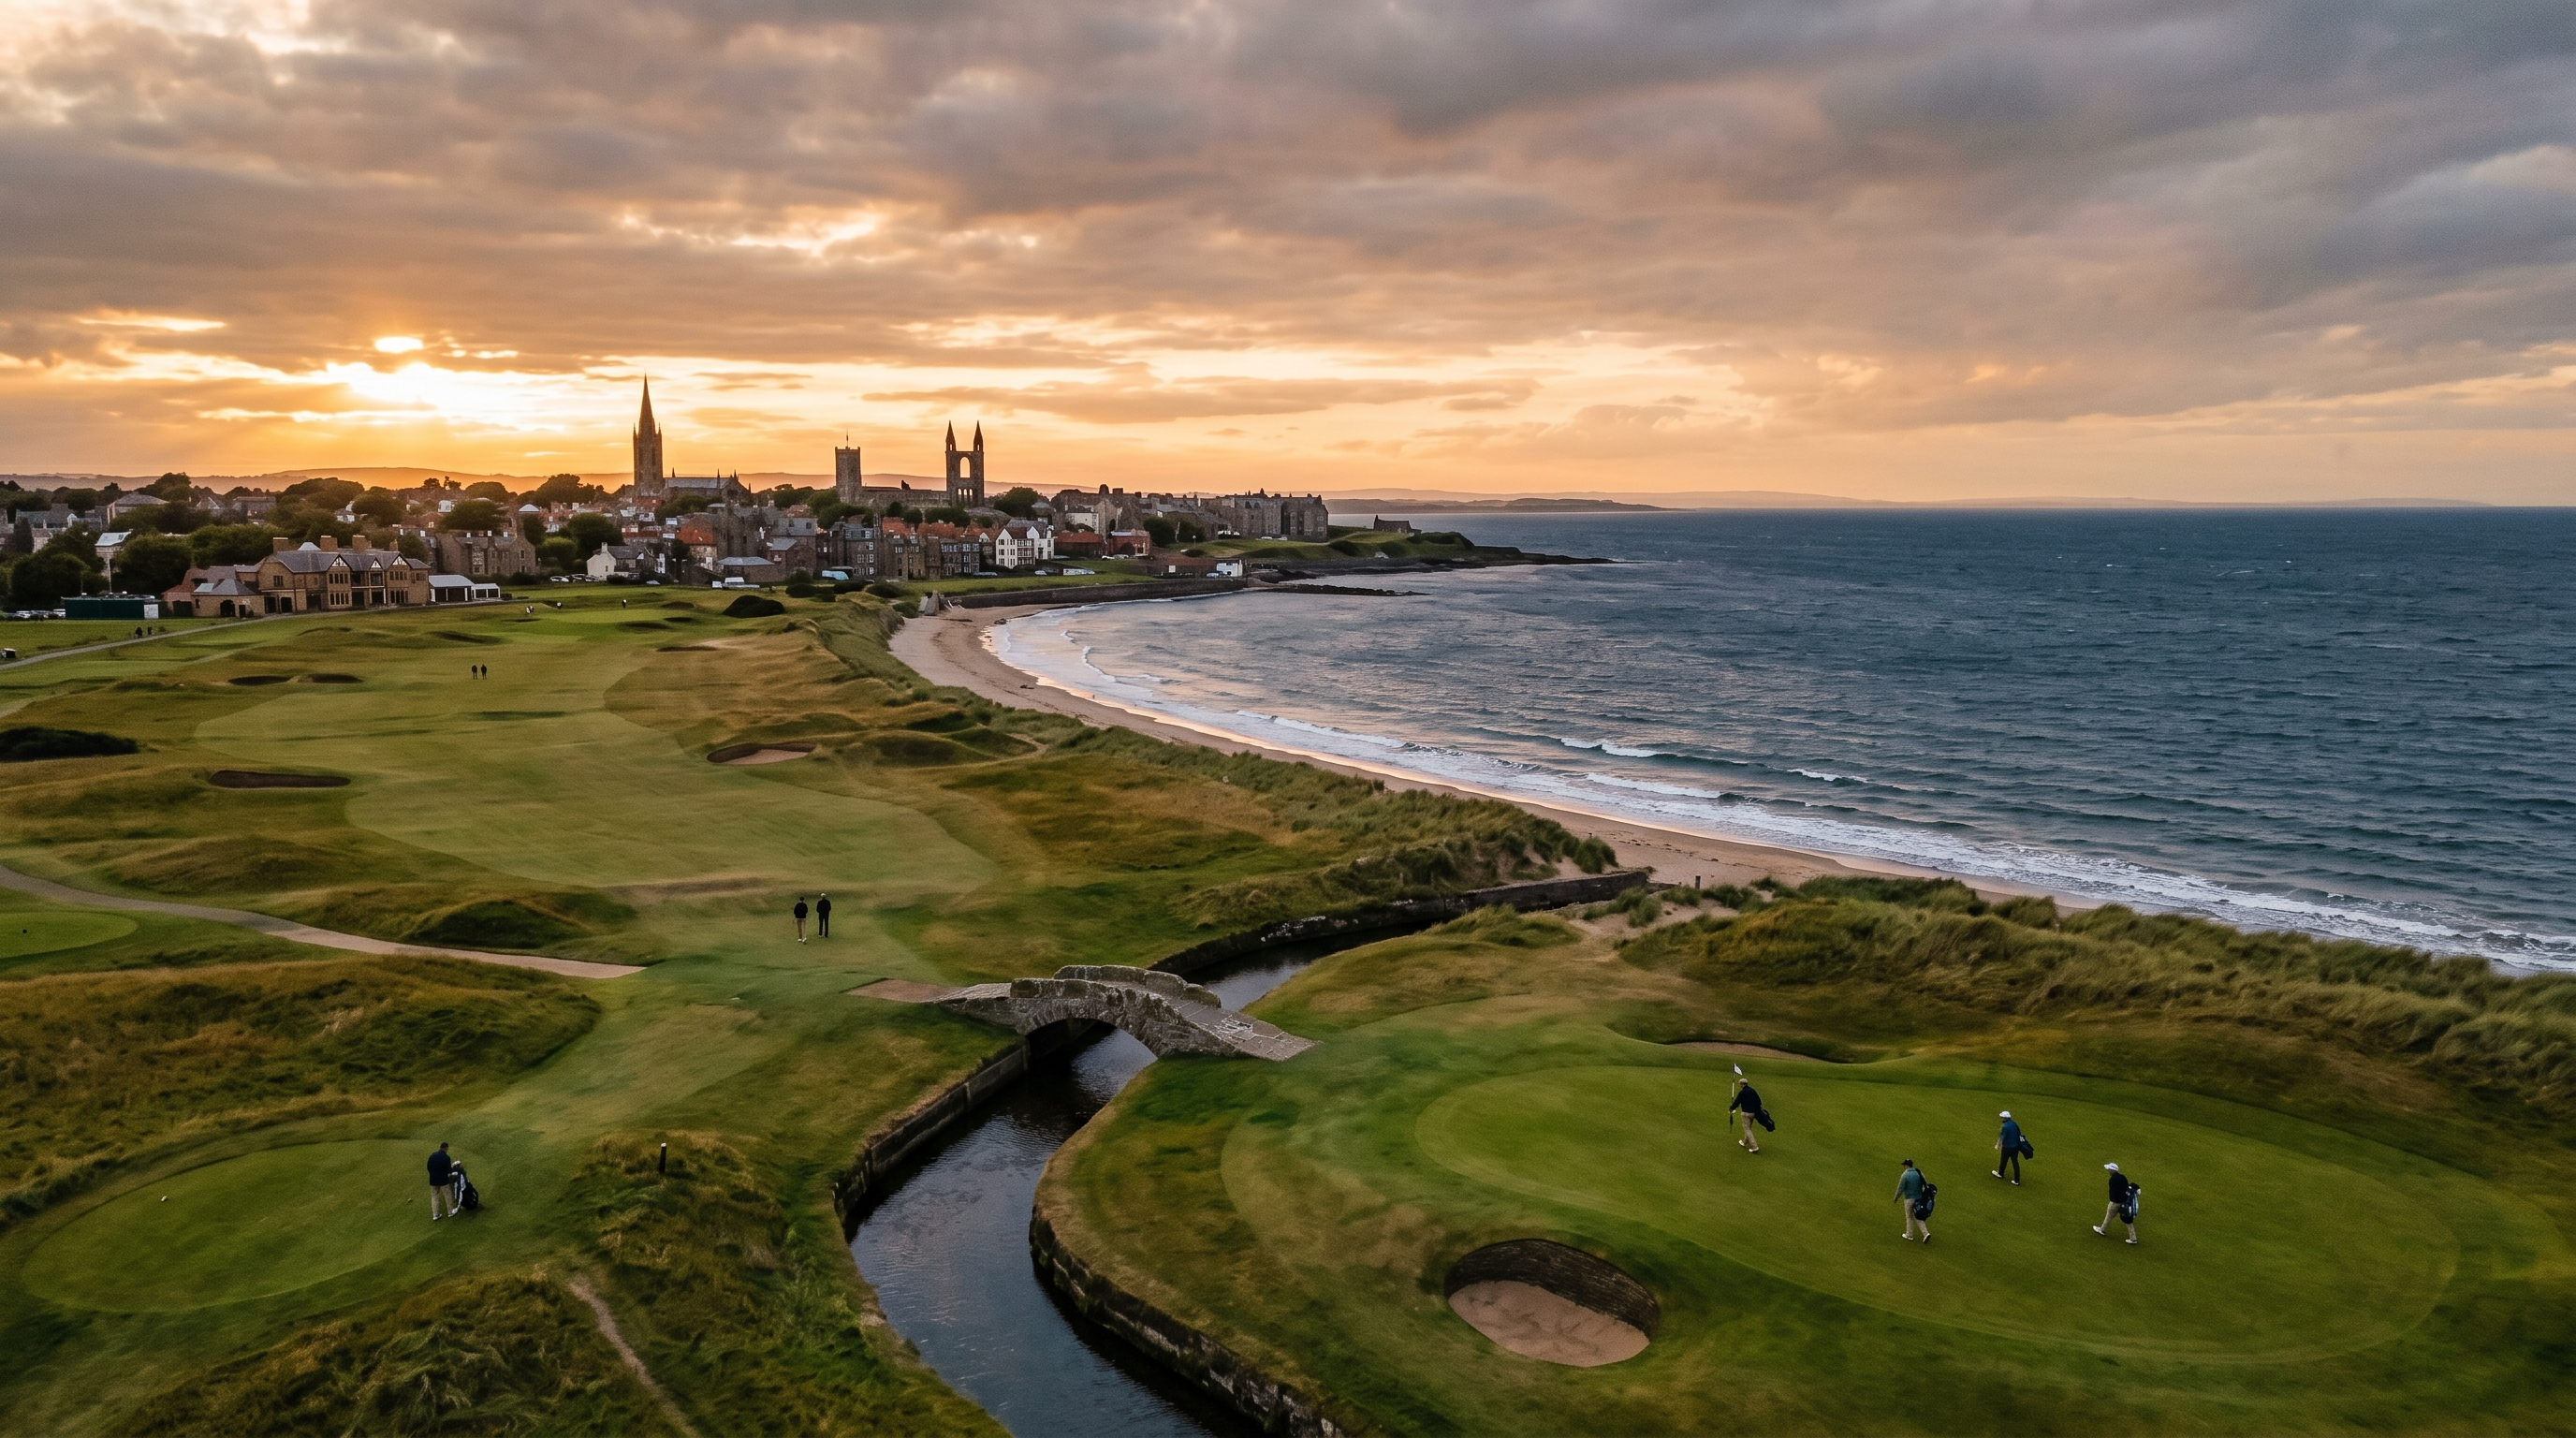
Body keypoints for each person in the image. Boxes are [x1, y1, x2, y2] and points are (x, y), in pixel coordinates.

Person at [2096, 1163, 2140, 1243]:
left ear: (2113, 1170)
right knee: (2128, 1221)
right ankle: (2133, 1238)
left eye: (2109, 1170)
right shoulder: (2123, 1177)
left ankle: (2102, 1230)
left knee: (2109, 1216)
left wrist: (2114, 1200)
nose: (2108, 1171)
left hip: (2115, 1202)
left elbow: (2114, 1192)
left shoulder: (2112, 1179)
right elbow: (2126, 1188)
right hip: (2124, 1202)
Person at [1727, 1069, 1764, 1152]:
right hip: (1753, 1113)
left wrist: (1731, 1108)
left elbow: (1737, 1102)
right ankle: (1744, 1142)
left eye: (1740, 1084)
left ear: (1742, 1084)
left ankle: (1754, 1147)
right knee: (1749, 1128)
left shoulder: (1742, 1092)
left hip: (1745, 1113)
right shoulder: (1753, 1091)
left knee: (1747, 1129)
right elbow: (1759, 1101)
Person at [1896, 1158, 1931, 1242]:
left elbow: (1900, 1188)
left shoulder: (1905, 1175)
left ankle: (1909, 1235)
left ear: (1907, 1166)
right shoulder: (1918, 1172)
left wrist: (1896, 1197)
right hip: (1919, 1199)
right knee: (1918, 1217)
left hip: (1909, 1199)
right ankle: (1926, 1234)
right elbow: (1925, 1183)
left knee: (1909, 1217)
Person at [428, 1141, 457, 1221]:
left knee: (434, 1197)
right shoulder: (446, 1157)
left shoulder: (432, 1156)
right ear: (446, 1148)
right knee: (448, 1195)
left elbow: (428, 1168)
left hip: (433, 1180)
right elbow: (449, 1170)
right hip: (443, 1180)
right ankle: (450, 1212)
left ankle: (435, 1215)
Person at [1994, 1109, 2025, 1184]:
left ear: (2005, 1118)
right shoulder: (2014, 1124)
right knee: (2015, 1162)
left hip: (2007, 1147)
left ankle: (2000, 1174)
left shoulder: (2005, 1127)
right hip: (2015, 1146)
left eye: (2002, 1118)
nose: (2001, 1119)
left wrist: (1997, 1145)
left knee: (2003, 1160)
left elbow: (2002, 1137)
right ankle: (2017, 1180)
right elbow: (2019, 1133)